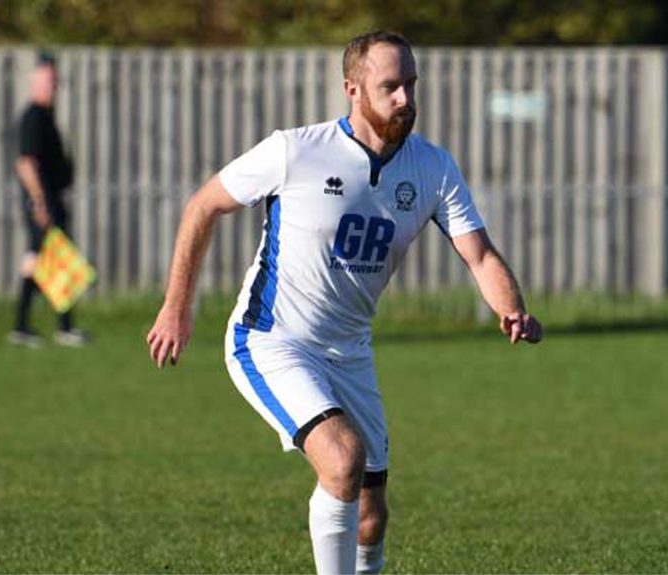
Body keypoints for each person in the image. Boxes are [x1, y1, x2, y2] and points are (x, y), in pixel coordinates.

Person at [146, 30, 542, 574]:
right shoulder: (296, 150)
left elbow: (480, 255)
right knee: (341, 458)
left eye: (410, 85)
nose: (405, 98)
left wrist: (511, 308)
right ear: (352, 89)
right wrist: (176, 305)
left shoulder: (433, 168)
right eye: (390, 87)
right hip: (270, 339)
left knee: (370, 516)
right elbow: (202, 207)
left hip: (349, 351)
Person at [9, 51, 88, 348]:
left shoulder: (45, 116)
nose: (54, 87)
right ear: (37, 82)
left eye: (56, 81)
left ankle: (40, 325)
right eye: (49, 81)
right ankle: (36, 326)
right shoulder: (33, 117)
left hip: (49, 199)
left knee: (47, 261)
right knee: (47, 260)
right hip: (42, 202)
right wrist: (39, 201)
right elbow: (25, 163)